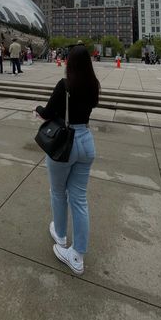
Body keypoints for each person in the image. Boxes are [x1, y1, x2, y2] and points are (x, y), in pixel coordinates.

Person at [35, 45, 99, 275]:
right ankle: (77, 254)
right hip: (86, 141)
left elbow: (49, 112)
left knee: (58, 192)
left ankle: (61, 236)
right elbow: (90, 106)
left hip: (67, 144)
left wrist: (37, 109)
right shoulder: (94, 85)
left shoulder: (65, 85)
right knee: (79, 199)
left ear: (70, 63)